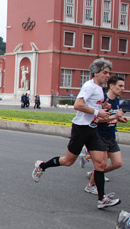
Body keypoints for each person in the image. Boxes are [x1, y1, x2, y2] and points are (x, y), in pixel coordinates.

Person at [32, 58, 120, 209]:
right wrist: (97, 112)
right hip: (80, 128)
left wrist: (103, 106)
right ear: (96, 73)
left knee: (101, 163)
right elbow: (78, 105)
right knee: (68, 161)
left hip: (92, 129)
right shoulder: (89, 86)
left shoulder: (100, 89)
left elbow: (93, 105)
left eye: (109, 73)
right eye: (105, 73)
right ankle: (42, 166)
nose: (108, 76)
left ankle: (101, 199)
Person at [83, 76, 128, 194]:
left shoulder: (117, 100)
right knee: (101, 165)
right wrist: (114, 117)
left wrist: (120, 119)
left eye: (123, 86)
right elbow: (96, 118)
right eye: (120, 86)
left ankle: (94, 174)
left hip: (111, 136)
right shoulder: (103, 100)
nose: (123, 88)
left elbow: (113, 116)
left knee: (118, 163)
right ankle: (91, 185)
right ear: (112, 86)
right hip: (100, 136)